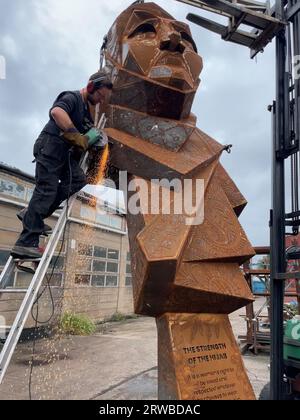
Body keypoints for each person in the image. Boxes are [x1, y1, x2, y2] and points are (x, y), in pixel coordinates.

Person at [11, 69, 113, 259]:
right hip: (50, 149)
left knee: (77, 180)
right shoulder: (72, 97)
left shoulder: (87, 114)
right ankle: (25, 243)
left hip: (65, 156)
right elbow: (57, 112)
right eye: (100, 95)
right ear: (91, 86)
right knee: (46, 190)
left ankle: (31, 215)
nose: (100, 100)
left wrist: (91, 140)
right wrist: (76, 135)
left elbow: (84, 140)